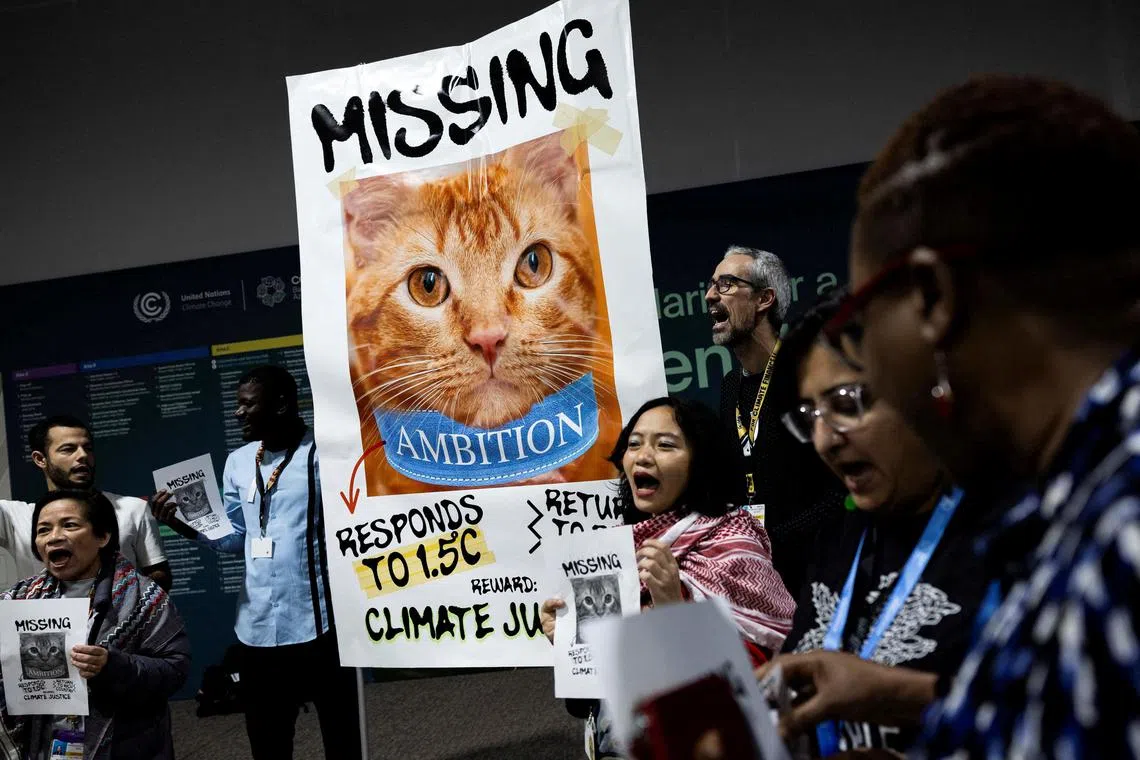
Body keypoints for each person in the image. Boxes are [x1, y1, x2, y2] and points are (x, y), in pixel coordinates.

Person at [764, 75, 1140, 757]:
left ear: (934, 297)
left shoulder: (1116, 537)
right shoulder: (1073, 512)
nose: (827, 435)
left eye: (859, 328)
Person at [775, 291, 991, 754]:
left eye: (848, 401)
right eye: (811, 414)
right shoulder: (836, 541)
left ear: (929, 391)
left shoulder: (1005, 535)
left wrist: (903, 697)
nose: (823, 439)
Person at [540, 396, 795, 759]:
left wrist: (672, 605)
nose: (643, 456)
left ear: (699, 462)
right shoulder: (610, 549)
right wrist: (567, 638)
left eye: (665, 445)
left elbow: (759, 676)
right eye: (634, 443)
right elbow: (589, 698)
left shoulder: (733, 544)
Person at [149, 365, 361, 760]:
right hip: (257, 629)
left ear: (280, 405)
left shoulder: (321, 458)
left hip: (320, 626)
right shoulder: (239, 462)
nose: (237, 413)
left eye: (247, 405)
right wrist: (183, 525)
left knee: (343, 735)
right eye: (237, 405)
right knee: (267, 740)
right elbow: (236, 540)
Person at [0, 489, 189, 759]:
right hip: (47, 744)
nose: (54, 537)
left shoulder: (145, 598)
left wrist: (113, 665)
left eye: (69, 525)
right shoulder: (19, 600)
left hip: (123, 745)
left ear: (102, 536)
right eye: (43, 530)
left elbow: (175, 669)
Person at [706, 246, 846, 597]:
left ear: (764, 299)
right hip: (759, 581)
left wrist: (773, 538)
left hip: (822, 576)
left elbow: (841, 491)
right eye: (710, 285)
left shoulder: (805, 378)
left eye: (725, 284)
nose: (710, 295)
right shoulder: (729, 387)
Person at [0, 415, 171, 589]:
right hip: (44, 616)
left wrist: (123, 601)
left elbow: (159, 575)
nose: (83, 455)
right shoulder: (13, 516)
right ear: (40, 459)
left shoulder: (133, 508)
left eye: (87, 448)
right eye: (68, 449)